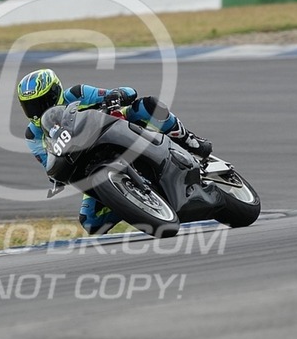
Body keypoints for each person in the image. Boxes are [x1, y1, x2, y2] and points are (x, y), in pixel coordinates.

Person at [17, 68, 212, 235]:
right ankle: (131, 202)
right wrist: (56, 177)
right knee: (91, 222)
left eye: (42, 102)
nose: (37, 110)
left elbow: (124, 92)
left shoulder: (76, 94)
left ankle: (190, 141)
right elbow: (48, 164)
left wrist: (117, 95)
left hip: (114, 130)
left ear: (56, 91)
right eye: (30, 106)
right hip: (86, 163)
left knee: (147, 106)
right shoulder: (33, 135)